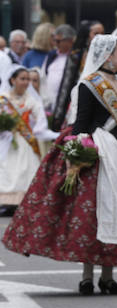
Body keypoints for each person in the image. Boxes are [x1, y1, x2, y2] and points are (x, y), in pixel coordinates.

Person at [3, 35, 117, 294]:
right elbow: (83, 121)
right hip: (98, 150)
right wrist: (78, 152)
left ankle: (108, 276)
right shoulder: (89, 84)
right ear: (107, 56)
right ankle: (88, 275)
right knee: (92, 215)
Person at [0, 65, 58, 214]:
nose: (26, 82)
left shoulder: (32, 100)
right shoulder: (3, 99)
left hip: (26, 141)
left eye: (28, 79)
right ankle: (5, 202)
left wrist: (49, 133)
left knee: (26, 168)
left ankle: (23, 201)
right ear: (13, 80)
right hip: (6, 140)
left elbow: (40, 124)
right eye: (22, 78)